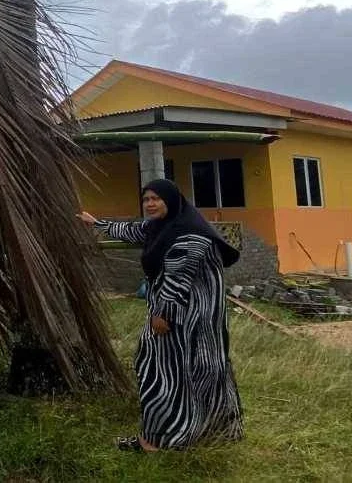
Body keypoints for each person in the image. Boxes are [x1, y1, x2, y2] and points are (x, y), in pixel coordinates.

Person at [78, 178, 243, 452]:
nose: (150, 204)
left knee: (163, 371)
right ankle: (189, 434)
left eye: (156, 198)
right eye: (146, 199)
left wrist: (161, 314)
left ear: (171, 199)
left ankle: (155, 441)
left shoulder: (190, 234)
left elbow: (178, 280)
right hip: (186, 320)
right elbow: (132, 230)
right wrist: (97, 224)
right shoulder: (162, 227)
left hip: (188, 320)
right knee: (192, 371)